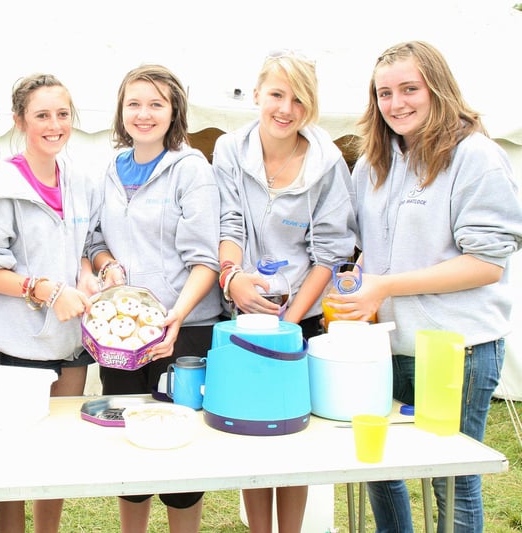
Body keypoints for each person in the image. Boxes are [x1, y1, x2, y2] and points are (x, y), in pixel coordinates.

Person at [326, 40, 522, 533]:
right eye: (385, 93)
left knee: (449, 479)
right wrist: (360, 277)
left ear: (438, 88)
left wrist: (385, 285)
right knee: (379, 467)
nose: (397, 104)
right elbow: (375, 244)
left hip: (456, 346)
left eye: (410, 89)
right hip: (384, 345)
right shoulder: (372, 161)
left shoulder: (476, 157)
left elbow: (486, 264)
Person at [214, 50, 358, 533]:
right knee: (254, 427)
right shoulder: (230, 150)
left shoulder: (328, 161)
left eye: (299, 100)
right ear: (256, 94)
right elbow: (228, 220)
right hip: (244, 313)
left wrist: (290, 322)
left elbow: (331, 251)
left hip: (300, 318)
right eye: (277, 94)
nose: (286, 109)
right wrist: (233, 277)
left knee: (293, 433)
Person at [87, 64, 223, 533]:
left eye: (156, 104)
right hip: (123, 332)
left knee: (178, 455)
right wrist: (106, 265)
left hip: (182, 331)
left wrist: (176, 318)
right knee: (131, 444)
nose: (143, 114)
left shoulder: (191, 169)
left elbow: (206, 260)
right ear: (121, 111)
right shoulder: (107, 170)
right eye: (134, 104)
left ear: (174, 112)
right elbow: (94, 240)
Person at [0, 73, 100, 533]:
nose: (54, 124)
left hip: (73, 341)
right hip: (24, 343)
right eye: (42, 115)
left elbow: (87, 241)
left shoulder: (79, 179)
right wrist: (45, 290)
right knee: (18, 462)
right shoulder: (3, 185)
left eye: (62, 114)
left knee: (56, 455)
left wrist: (87, 272)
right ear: (20, 120)